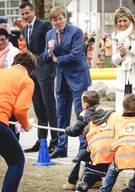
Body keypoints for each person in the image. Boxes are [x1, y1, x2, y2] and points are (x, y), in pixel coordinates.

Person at [44, 7, 92, 159]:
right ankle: (61, 147)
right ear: (51, 21)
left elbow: (76, 54)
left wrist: (57, 59)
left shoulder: (76, 31)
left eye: (60, 18)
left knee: (80, 113)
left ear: (64, 18)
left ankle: (84, 148)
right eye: (55, 19)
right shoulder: (49, 34)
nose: (58, 22)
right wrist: (50, 51)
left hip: (78, 77)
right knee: (61, 114)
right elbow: (45, 59)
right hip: (61, 79)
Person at [99, 93, 135, 192]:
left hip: (120, 157)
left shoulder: (118, 121)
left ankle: (104, 190)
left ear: (123, 109)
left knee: (112, 171)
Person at [19, 1, 58, 154]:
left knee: (50, 108)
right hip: (33, 73)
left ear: (33, 11)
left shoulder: (45, 25)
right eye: (22, 14)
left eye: (27, 13)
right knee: (39, 109)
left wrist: (39, 61)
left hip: (46, 72)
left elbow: (48, 49)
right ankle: (41, 141)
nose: (25, 16)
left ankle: (55, 142)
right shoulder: (24, 28)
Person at [0, 51, 36, 192]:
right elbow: (20, 110)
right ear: (30, 70)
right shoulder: (27, 80)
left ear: (14, 62)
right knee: (17, 161)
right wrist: (26, 125)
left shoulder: (2, 72)